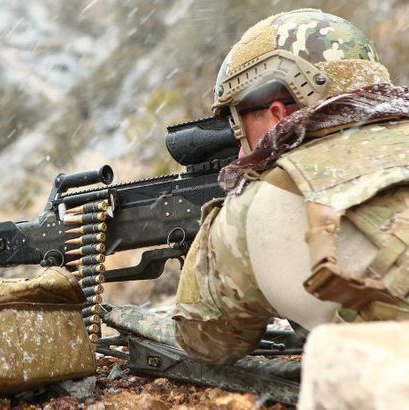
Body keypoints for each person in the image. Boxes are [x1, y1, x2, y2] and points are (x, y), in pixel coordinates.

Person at [172, 8, 409, 365]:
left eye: (237, 121)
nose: (239, 149)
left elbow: (206, 340)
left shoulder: (260, 203)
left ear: (277, 115)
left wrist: (223, 229)